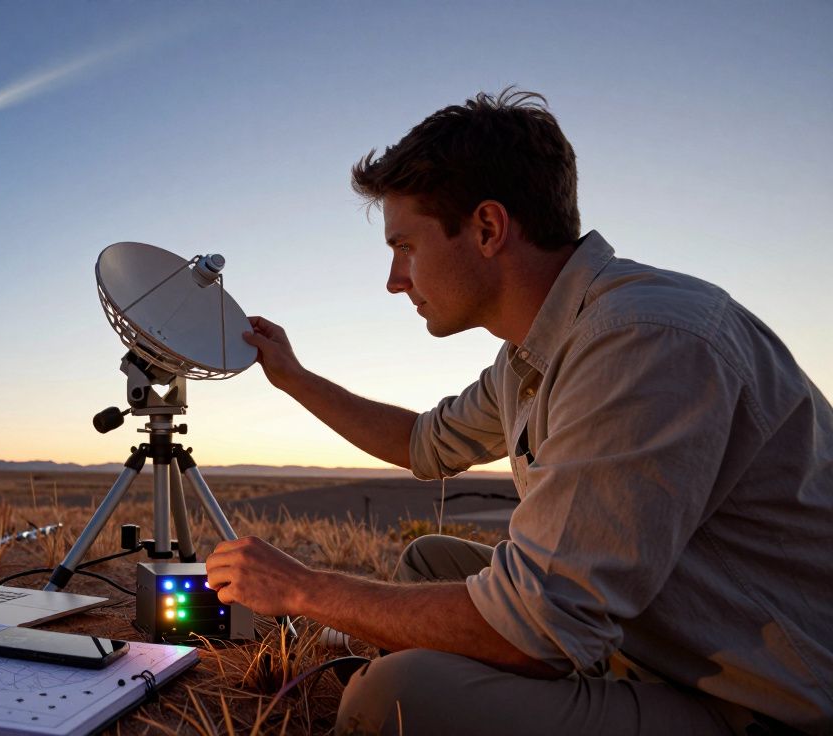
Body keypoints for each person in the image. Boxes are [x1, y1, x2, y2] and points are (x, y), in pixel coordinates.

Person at [204, 89, 832, 735]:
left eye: (406, 246)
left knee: (396, 695)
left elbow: (537, 631)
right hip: (653, 634)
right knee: (430, 562)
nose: (395, 279)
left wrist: (305, 590)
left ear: (487, 228)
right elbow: (422, 442)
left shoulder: (645, 339)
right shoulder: (538, 350)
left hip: (762, 699)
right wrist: (294, 379)